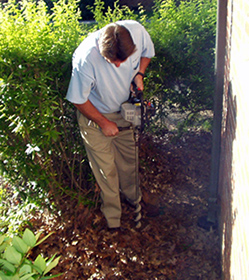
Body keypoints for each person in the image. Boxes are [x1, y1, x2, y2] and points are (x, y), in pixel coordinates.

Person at [66, 20, 155, 230]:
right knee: (107, 171)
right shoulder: (86, 57)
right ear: (101, 51)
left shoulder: (136, 31)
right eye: (113, 61)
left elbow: (147, 53)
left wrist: (139, 73)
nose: (118, 66)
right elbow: (78, 99)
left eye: (123, 61)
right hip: (95, 117)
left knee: (129, 163)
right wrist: (103, 122)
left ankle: (135, 203)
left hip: (125, 112)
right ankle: (113, 220)